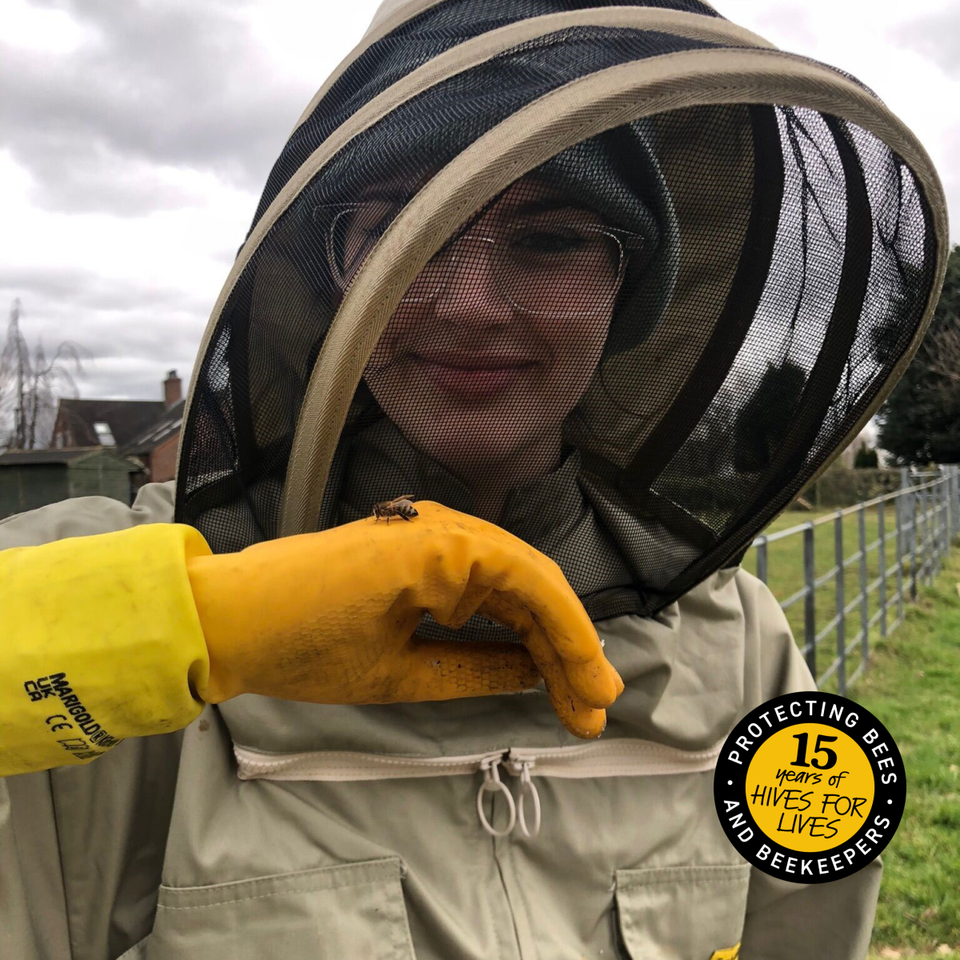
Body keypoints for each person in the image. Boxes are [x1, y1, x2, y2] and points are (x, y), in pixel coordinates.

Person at [0, 2, 948, 959]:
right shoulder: (113, 581)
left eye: (550, 242)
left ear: (629, 292)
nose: (469, 305)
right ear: (335, 276)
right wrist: (189, 628)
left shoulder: (740, 649)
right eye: (406, 232)